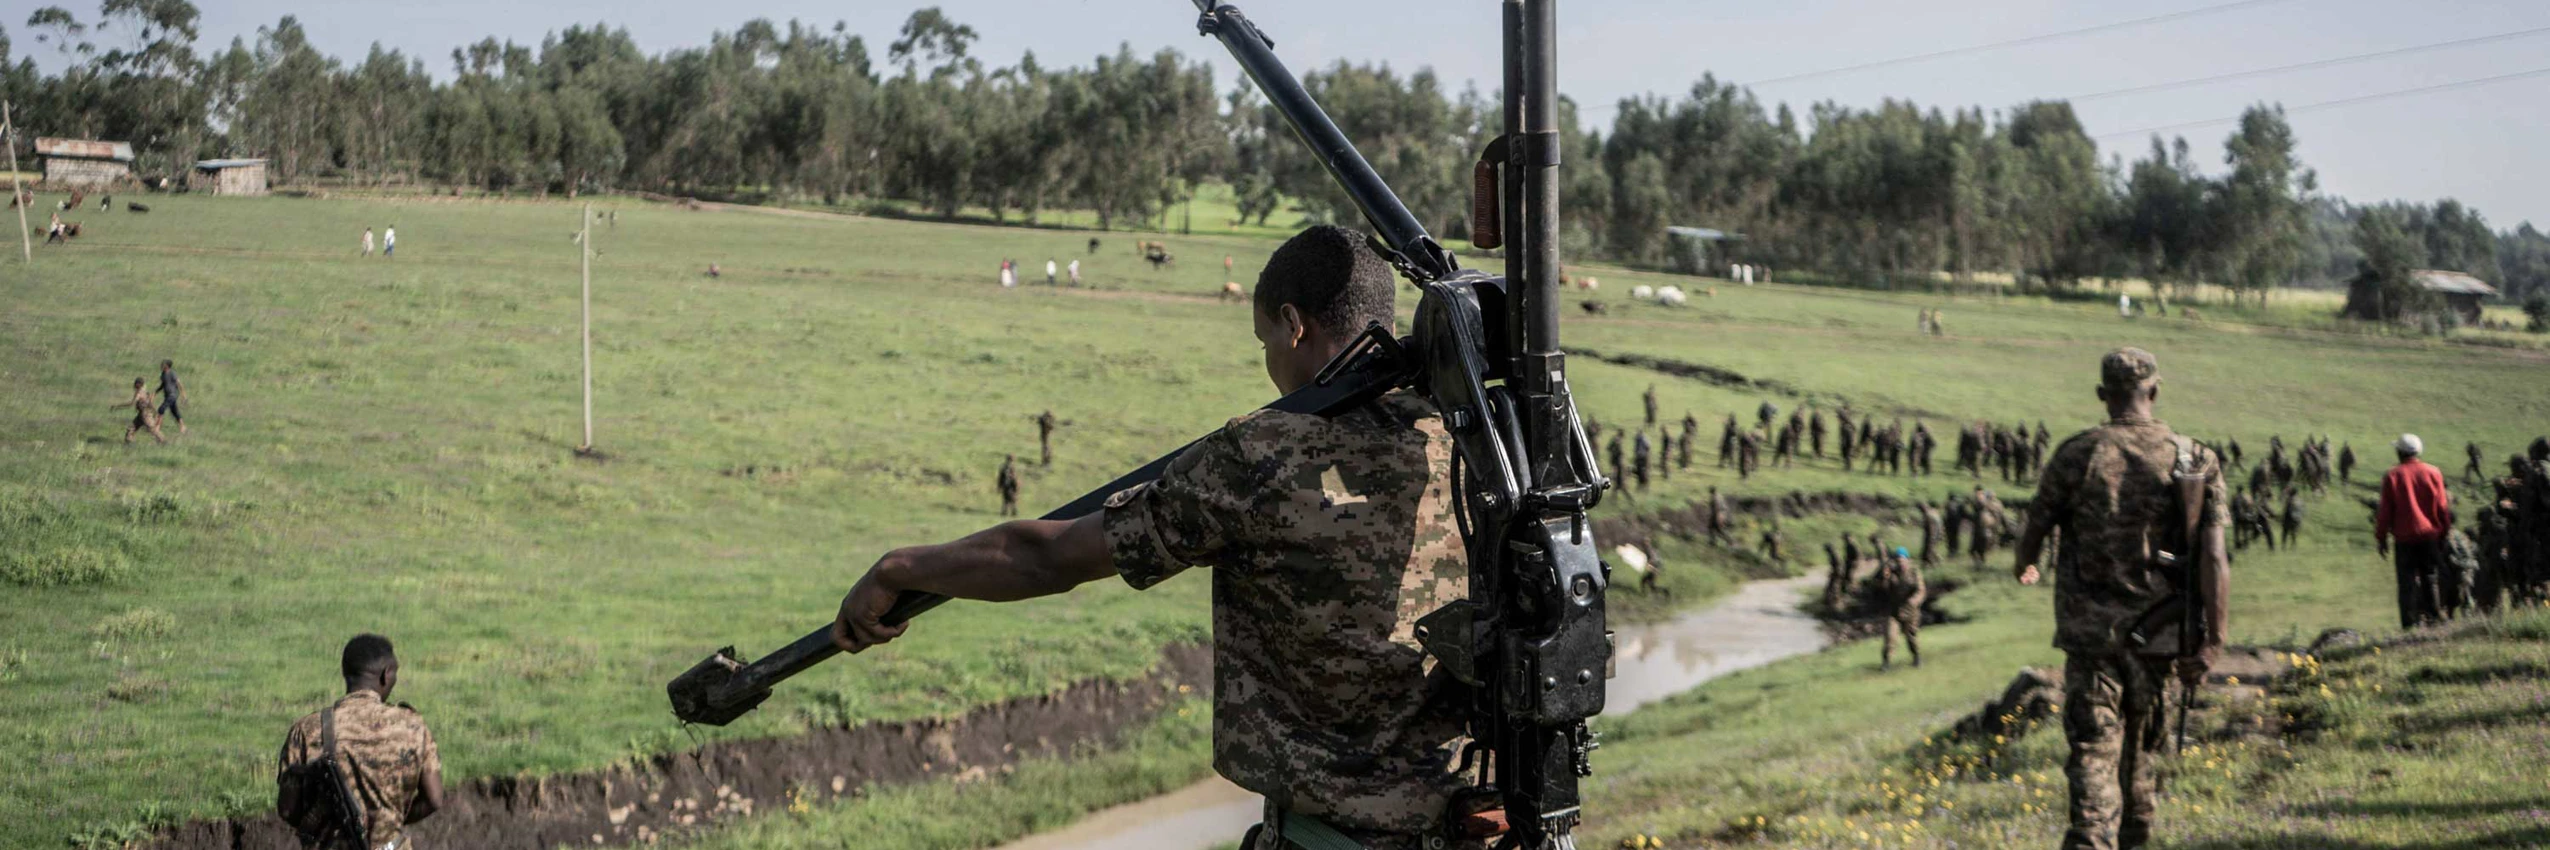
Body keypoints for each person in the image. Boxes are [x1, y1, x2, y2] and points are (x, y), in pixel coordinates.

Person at [831, 225, 1478, 850]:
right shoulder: (1469, 445)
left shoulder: (1265, 455)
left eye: (1264, 341)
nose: (1270, 362)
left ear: (1293, 324)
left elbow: (1047, 559)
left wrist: (897, 569)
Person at [2013, 348, 2229, 850]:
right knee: (2142, 756)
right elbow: (2214, 558)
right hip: (2160, 634)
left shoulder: (2077, 454)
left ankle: (2091, 839)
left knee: (2093, 750)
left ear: (2102, 396)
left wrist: (2025, 562)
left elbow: (2036, 527)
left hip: (2092, 639)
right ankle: (2135, 838)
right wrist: (2212, 643)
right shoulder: (2194, 459)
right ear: (2154, 392)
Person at [277, 634, 443, 850]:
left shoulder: (307, 730)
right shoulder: (412, 727)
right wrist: (391, 820)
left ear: (346, 673)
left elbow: (287, 808)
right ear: (386, 675)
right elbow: (434, 798)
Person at [2376, 434, 2453, 629]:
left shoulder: (2393, 475)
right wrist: (2444, 534)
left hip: (2404, 538)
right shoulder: (2434, 472)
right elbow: (2442, 507)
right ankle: (2434, 620)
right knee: (2430, 577)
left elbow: (2385, 511)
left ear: (2399, 452)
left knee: (2406, 583)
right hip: (2429, 536)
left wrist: (2381, 537)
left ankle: (2408, 625)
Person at [1876, 547, 1925, 670]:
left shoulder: (1914, 572)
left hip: (1910, 610)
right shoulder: (1890, 573)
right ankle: (1886, 662)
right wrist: (1885, 577)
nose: (1900, 563)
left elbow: (1921, 590)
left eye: (1902, 560)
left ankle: (1916, 657)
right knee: (1890, 636)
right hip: (1894, 610)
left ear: (1907, 560)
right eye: (1897, 560)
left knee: (1911, 636)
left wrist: (1913, 601)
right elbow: (1882, 589)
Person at [120, 377, 165, 444]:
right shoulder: (144, 390)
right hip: (141, 414)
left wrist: (118, 406)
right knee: (131, 428)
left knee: (152, 429)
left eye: (135, 383)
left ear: (138, 384)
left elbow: (131, 403)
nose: (134, 385)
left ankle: (163, 441)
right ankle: (129, 443)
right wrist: (154, 410)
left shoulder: (139, 392)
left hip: (145, 414)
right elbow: (149, 402)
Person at [155, 359, 188, 436]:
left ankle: (157, 427)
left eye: (163, 364)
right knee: (174, 411)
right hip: (167, 396)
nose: (161, 365)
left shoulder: (172, 373)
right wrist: (155, 392)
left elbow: (179, 384)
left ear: (167, 366)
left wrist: (184, 395)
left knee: (161, 408)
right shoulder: (163, 374)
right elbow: (163, 385)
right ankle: (183, 426)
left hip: (173, 395)